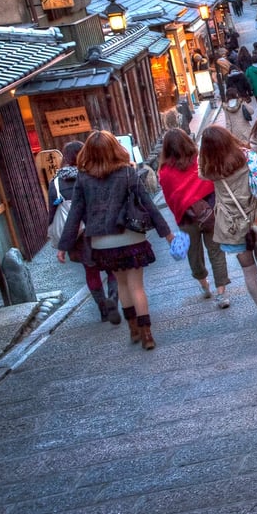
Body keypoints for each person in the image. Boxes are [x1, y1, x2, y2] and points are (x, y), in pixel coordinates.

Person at [56, 131, 174, 350]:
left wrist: (64, 246)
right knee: (137, 286)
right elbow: (148, 204)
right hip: (130, 235)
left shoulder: (83, 178)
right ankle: (148, 334)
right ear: (115, 148)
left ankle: (133, 329)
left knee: (121, 284)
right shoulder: (127, 173)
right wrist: (166, 233)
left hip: (102, 241)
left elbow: (75, 213)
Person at [199, 126, 257, 329]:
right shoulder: (249, 158)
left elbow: (199, 170)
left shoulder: (210, 169)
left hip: (233, 225)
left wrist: (204, 152)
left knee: (248, 269)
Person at [157, 129, 230, 309]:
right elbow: (213, 183)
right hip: (210, 212)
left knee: (194, 254)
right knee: (216, 251)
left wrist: (180, 213)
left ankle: (204, 285)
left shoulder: (165, 172)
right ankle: (221, 294)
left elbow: (170, 198)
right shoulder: (200, 160)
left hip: (186, 217)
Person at [48, 141, 120, 324]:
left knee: (91, 270)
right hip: (101, 228)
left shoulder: (56, 183)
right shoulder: (95, 174)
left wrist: (61, 245)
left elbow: (53, 215)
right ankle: (113, 298)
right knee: (113, 267)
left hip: (77, 235)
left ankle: (103, 308)